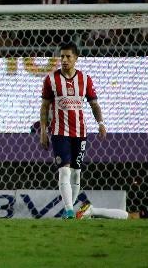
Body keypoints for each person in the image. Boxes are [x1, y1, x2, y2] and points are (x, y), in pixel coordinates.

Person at [39, 43, 107, 219]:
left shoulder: (85, 79)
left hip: (80, 132)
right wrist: (43, 131)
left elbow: (94, 104)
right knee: (64, 170)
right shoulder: (51, 79)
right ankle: (69, 210)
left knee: (77, 172)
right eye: (62, 56)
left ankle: (70, 210)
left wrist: (100, 123)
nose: (64, 60)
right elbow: (45, 106)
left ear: (76, 58)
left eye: (68, 56)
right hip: (59, 132)